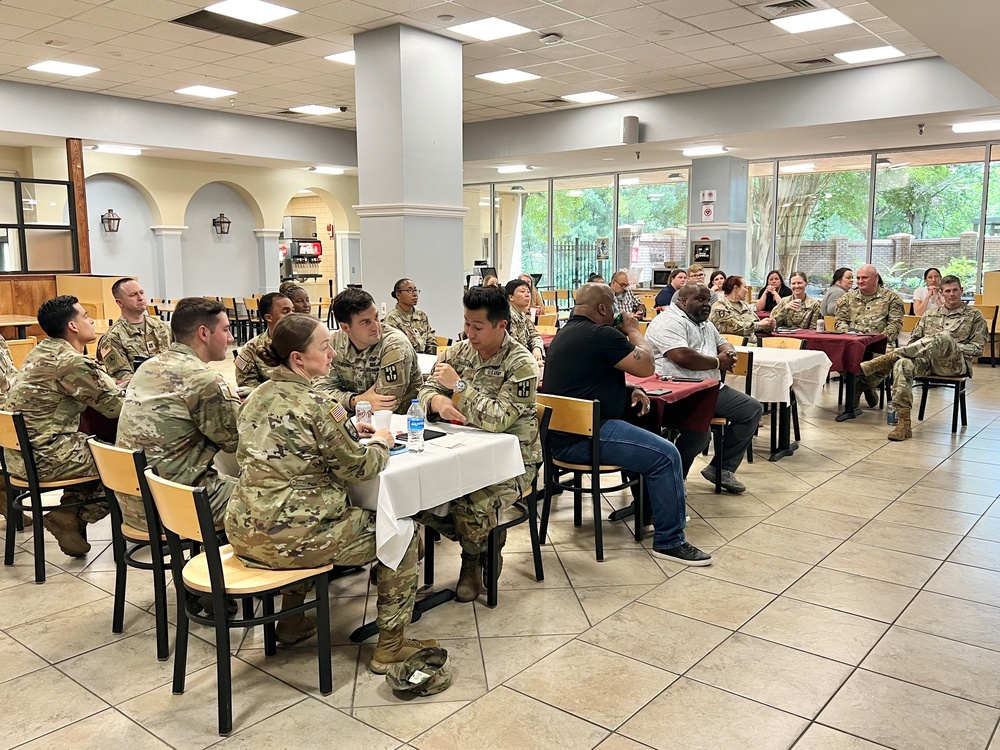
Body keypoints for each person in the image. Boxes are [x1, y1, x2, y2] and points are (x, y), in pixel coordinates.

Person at [226, 314, 439, 661]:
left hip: (246, 530)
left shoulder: (255, 396)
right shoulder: (321, 406)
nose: (333, 355)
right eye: (324, 348)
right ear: (298, 358)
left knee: (300, 516)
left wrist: (352, 437)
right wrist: (382, 442)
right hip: (295, 537)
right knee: (400, 533)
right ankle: (391, 645)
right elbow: (360, 467)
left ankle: (292, 620)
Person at [541, 283, 711, 565]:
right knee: (667, 455)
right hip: (587, 439)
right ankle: (670, 540)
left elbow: (588, 379)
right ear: (603, 309)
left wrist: (629, 388)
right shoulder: (602, 333)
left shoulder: (565, 333)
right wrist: (633, 329)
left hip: (561, 438)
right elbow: (646, 366)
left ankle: (651, 510)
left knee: (646, 437)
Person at [416, 286, 542, 600]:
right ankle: (483, 542)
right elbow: (424, 390)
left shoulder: (521, 365)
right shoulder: (460, 351)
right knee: (419, 495)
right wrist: (437, 403)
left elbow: (499, 419)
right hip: (462, 450)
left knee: (470, 503)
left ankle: (472, 558)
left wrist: (457, 387)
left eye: (477, 327)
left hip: (512, 461)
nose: (468, 333)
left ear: (502, 325)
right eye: (466, 323)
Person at [4, 296, 123, 557]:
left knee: (91, 443)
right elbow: (115, 408)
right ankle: (76, 514)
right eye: (85, 316)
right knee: (124, 461)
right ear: (73, 326)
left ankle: (68, 515)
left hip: (19, 456)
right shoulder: (71, 362)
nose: (91, 320)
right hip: (46, 457)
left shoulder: (41, 352)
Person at [117, 297, 240, 530]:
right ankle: (222, 563)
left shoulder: (149, 366)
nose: (231, 338)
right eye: (225, 329)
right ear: (204, 333)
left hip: (136, 503)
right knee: (274, 500)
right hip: (176, 505)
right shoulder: (202, 378)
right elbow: (236, 440)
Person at [646, 283, 763, 494]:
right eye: (700, 300)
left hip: (710, 388)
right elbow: (682, 356)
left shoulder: (704, 322)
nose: (706, 304)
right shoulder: (668, 322)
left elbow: (722, 342)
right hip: (679, 391)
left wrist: (728, 352)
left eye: (708, 300)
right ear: (682, 301)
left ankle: (721, 468)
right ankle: (671, 479)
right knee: (700, 433)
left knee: (751, 409)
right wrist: (718, 362)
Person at [859, 275, 987, 441]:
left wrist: (949, 346)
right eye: (947, 291)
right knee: (903, 363)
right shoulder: (929, 315)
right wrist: (930, 348)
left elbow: (978, 349)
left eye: (955, 290)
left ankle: (889, 357)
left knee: (944, 337)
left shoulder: (975, 316)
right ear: (941, 293)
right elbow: (913, 342)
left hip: (954, 364)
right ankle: (904, 424)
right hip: (927, 363)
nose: (952, 294)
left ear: (961, 291)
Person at [317, 287, 421, 415]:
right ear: (345, 327)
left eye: (376, 317)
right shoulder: (335, 343)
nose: (376, 326)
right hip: (351, 419)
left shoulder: (395, 345)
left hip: (399, 422)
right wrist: (355, 401)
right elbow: (319, 392)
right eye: (365, 322)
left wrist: (347, 402)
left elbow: (385, 404)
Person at [835, 263, 906, 407]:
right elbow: (839, 321)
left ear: (876, 278)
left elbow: (896, 324)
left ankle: (859, 387)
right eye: (858, 278)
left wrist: (879, 339)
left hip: (879, 343)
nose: (860, 281)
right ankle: (866, 387)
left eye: (865, 278)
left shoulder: (892, 298)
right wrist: (847, 334)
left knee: (888, 358)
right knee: (835, 354)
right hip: (853, 342)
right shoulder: (847, 298)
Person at [96, 278, 172, 382]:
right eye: (133, 295)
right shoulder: (113, 338)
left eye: (142, 292)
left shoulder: (161, 327)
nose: (141, 298)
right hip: (141, 393)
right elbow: (123, 377)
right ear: (120, 302)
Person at [235, 291, 294, 391]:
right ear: (269, 317)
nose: (292, 315)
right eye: (285, 311)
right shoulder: (251, 348)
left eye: (293, 310)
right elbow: (247, 386)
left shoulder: (304, 342)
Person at [710, 275, 775, 345]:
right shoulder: (720, 306)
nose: (747, 291)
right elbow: (731, 327)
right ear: (736, 288)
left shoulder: (745, 306)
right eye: (745, 287)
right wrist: (759, 324)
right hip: (731, 346)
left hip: (753, 344)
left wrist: (769, 325)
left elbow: (758, 324)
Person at [384, 278, 437, 354]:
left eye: (415, 290)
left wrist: (431, 359)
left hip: (425, 360)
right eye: (409, 291)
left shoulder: (421, 315)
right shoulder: (392, 319)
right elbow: (393, 348)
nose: (415, 294)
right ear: (398, 295)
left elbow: (431, 341)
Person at [505, 279, 544, 363]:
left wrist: (537, 348)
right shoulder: (508, 317)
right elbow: (513, 347)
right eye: (522, 291)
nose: (527, 295)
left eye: (528, 292)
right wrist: (532, 362)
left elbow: (535, 335)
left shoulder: (522, 316)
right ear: (511, 297)